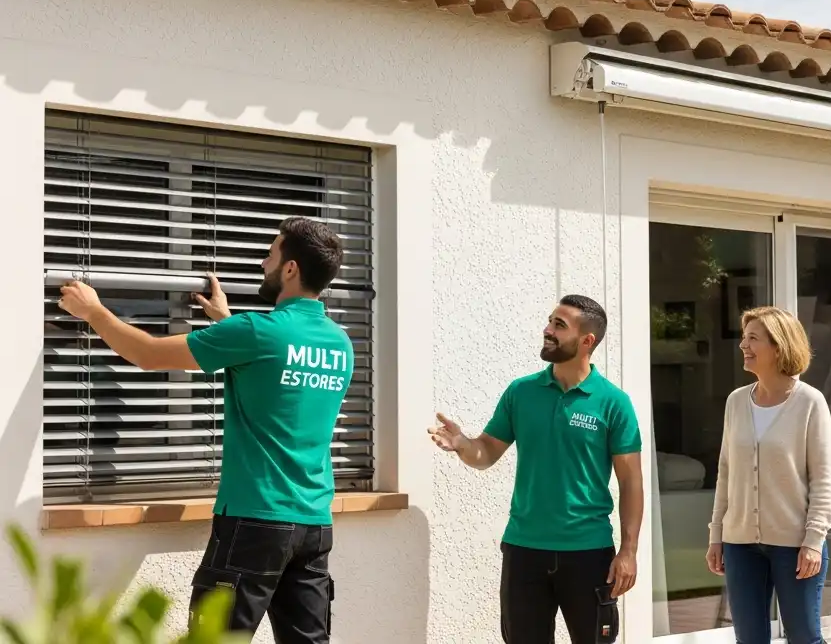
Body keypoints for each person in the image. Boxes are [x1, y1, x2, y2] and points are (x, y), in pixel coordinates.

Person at [56, 216, 354, 643]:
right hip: (313, 527)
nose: (263, 263)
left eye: (270, 254)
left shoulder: (256, 333)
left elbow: (148, 354)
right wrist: (224, 320)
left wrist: (93, 311)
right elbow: (278, 379)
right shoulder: (339, 343)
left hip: (255, 522)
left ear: (291, 269)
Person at [428, 294, 643, 644]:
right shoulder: (521, 392)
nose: (547, 330)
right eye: (549, 321)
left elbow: (631, 482)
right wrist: (463, 445)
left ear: (587, 340)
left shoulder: (614, 402)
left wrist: (628, 551)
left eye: (560, 325)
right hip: (524, 551)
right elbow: (486, 453)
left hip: (589, 554)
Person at [706, 306, 831, 644]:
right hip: (740, 545)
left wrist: (813, 541)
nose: (742, 346)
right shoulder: (736, 402)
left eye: (753, 338)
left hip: (795, 545)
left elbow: (823, 480)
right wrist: (716, 534)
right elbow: (726, 472)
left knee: (804, 637)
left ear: (779, 346)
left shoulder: (810, 402)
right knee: (749, 640)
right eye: (743, 338)